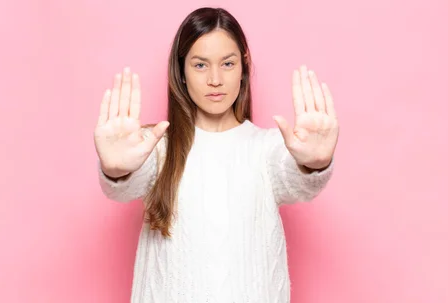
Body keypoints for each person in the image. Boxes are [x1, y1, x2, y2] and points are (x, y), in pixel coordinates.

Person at [93, 6, 339, 303]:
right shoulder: (155, 147)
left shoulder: (267, 149)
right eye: (200, 65)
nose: (215, 79)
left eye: (227, 64)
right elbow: (126, 184)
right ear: (181, 72)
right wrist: (116, 170)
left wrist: (315, 163)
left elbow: (296, 179)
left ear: (243, 69)